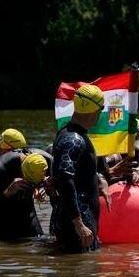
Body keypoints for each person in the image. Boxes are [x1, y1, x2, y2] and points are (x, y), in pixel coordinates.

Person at [52, 84, 104, 252]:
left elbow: (76, 176)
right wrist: (79, 224)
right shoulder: (74, 139)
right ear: (94, 110)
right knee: (81, 274)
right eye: (101, 108)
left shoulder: (68, 133)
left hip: (78, 218)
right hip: (78, 220)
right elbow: (65, 179)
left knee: (79, 270)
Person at [0, 152, 51, 240]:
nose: (30, 185)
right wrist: (8, 193)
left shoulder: (48, 161)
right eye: (28, 181)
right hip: (3, 220)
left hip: (27, 214)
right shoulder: (3, 167)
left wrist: (44, 187)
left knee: (39, 239)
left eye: (33, 183)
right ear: (22, 171)